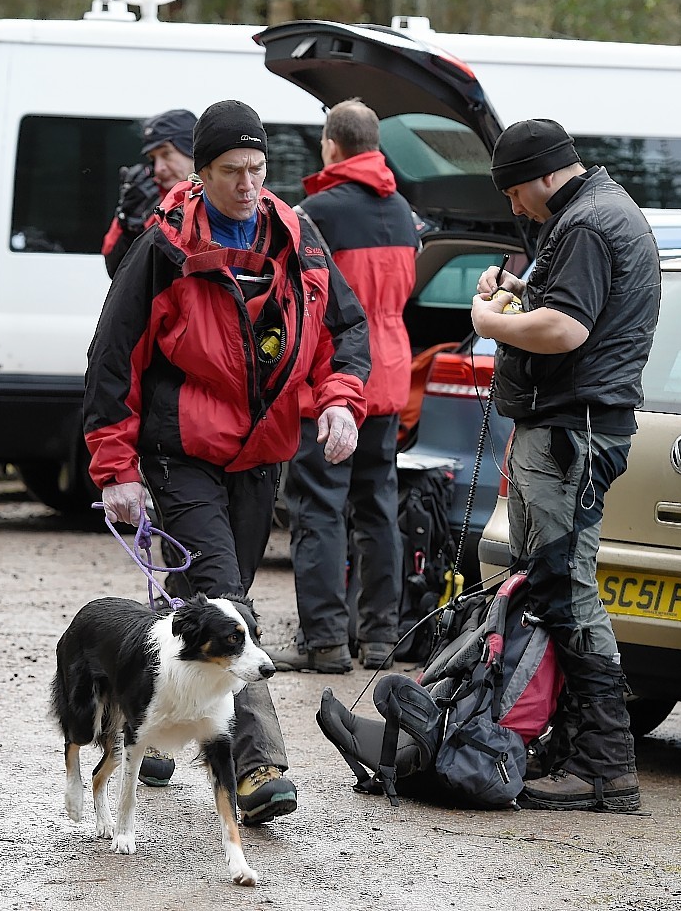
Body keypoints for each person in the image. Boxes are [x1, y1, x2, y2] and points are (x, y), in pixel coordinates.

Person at [84, 99, 370, 824]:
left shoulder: (297, 237)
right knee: (227, 604)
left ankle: (146, 717)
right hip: (181, 451)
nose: (248, 184)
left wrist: (339, 399)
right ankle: (258, 767)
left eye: (258, 169)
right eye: (231, 171)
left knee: (199, 600)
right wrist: (114, 465)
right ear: (201, 173)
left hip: (261, 452)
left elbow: (345, 330)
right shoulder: (164, 249)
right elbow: (111, 360)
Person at [470, 119, 660, 812]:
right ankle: (572, 746)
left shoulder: (583, 224)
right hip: (577, 429)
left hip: (568, 434)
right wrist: (519, 289)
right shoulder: (604, 211)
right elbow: (570, 313)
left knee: (564, 590)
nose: (515, 207)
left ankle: (603, 766)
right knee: (552, 586)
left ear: (543, 173)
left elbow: (566, 329)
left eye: (515, 191)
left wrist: (492, 322)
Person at [265, 98, 419, 674]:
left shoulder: (315, 213)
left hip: (332, 379)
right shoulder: (404, 210)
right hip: (389, 374)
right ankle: (382, 638)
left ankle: (326, 641)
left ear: (331, 145)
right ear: (374, 144)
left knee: (320, 509)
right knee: (377, 506)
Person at [100, 108, 196, 278]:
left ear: (192, 149)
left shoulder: (224, 196)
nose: (159, 168)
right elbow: (116, 271)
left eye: (166, 153)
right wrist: (128, 223)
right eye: (153, 158)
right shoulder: (152, 201)